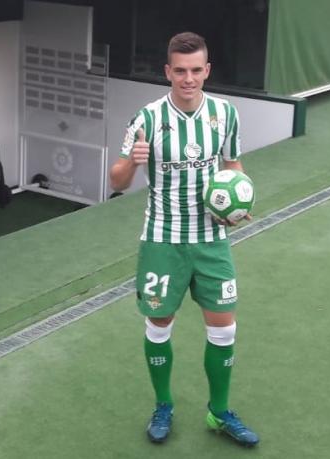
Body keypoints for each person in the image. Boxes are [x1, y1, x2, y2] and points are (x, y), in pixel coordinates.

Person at [109, 31, 259, 447]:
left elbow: (233, 165)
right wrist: (133, 165)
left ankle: (220, 411)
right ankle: (163, 405)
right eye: (180, 71)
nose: (188, 79)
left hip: (212, 239)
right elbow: (116, 181)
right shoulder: (147, 119)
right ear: (167, 72)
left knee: (224, 327)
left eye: (196, 70)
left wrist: (240, 197)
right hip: (162, 240)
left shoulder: (226, 114)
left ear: (207, 71)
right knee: (159, 324)